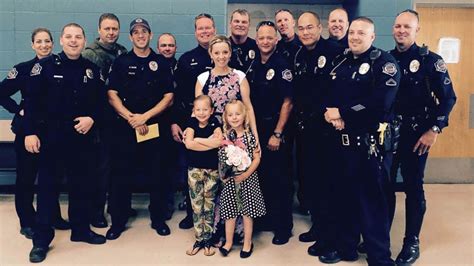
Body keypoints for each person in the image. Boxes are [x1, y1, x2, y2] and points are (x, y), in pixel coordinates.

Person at [24, 23, 107, 263]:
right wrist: (30, 132)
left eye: (78, 37)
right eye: (69, 37)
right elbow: (30, 101)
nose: (73, 41)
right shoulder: (45, 67)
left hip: (81, 140)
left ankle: (80, 231)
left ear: (84, 40)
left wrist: (92, 118)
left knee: (82, 187)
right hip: (51, 140)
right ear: (61, 40)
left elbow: (102, 103)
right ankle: (41, 240)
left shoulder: (91, 69)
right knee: (48, 190)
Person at [320, 17, 400, 265]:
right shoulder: (341, 60)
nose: (354, 37)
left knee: (372, 203)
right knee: (343, 197)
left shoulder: (384, 63)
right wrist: (332, 113)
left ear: (372, 36)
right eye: (352, 32)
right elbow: (326, 92)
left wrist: (343, 112)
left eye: (361, 33)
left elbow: (380, 103)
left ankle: (379, 256)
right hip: (340, 141)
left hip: (369, 145)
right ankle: (347, 247)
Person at [388, 9, 456, 265]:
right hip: (389, 135)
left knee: (413, 188)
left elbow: (449, 98)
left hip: (418, 135)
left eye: (407, 27)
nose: (401, 30)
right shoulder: (386, 59)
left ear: (417, 30)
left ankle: (411, 242)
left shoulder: (430, 60)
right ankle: (381, 234)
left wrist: (434, 129)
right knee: (384, 186)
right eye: (397, 26)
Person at [105, 18, 174, 240]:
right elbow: (111, 94)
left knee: (158, 174)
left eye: (144, 32)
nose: (141, 35)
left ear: (150, 35)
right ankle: (118, 220)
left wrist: (145, 117)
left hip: (154, 127)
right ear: (131, 36)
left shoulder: (160, 63)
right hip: (125, 128)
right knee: (121, 175)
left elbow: (169, 96)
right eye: (136, 32)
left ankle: (158, 218)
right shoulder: (122, 61)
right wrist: (131, 118)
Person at [0, 28, 70, 240]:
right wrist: (16, 109)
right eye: (39, 42)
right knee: (26, 178)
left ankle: (52, 216)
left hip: (52, 132)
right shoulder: (23, 69)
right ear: (32, 45)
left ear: (53, 43)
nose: (44, 45)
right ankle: (27, 221)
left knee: (52, 177)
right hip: (28, 131)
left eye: (47, 41)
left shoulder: (60, 67)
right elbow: (2, 93)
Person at [292, 11, 344, 256]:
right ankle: (319, 227)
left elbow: (340, 90)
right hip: (306, 131)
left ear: (320, 27)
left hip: (327, 133)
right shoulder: (300, 54)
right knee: (312, 183)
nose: (305, 32)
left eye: (309, 27)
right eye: (301, 29)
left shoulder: (334, 51)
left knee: (329, 187)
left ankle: (331, 241)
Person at [247, 21, 294, 245]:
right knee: (262, 176)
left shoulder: (282, 65)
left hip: (275, 129)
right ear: (257, 41)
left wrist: (277, 133)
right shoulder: (253, 64)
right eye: (261, 38)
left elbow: (288, 102)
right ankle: (266, 219)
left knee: (280, 179)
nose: (265, 41)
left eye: (269, 38)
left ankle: (283, 227)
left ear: (276, 40)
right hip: (257, 128)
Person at [82, 12, 130, 229]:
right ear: (99, 30)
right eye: (107, 29)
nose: (111, 32)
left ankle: (117, 206)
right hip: (100, 118)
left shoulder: (122, 52)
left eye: (114, 29)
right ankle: (96, 212)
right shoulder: (90, 54)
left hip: (119, 118)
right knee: (100, 168)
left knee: (119, 165)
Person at [172, 13, 216, 230]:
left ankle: (216, 216)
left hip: (219, 124)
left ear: (214, 29)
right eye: (200, 28)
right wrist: (175, 122)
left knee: (217, 171)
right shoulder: (187, 59)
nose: (205, 31)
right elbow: (178, 94)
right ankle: (192, 213)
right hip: (193, 123)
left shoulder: (224, 55)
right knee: (192, 170)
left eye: (208, 27)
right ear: (195, 31)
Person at [218, 100, 266, 258]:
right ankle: (228, 242)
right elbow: (221, 158)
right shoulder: (225, 137)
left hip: (248, 180)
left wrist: (246, 174)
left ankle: (247, 243)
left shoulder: (249, 137)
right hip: (231, 181)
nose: (234, 117)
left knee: (247, 213)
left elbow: (257, 158)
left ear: (244, 116)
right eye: (230, 114)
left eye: (237, 114)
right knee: (230, 213)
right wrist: (222, 174)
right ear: (225, 117)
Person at [183, 95, 222, 256]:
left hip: (212, 170)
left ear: (212, 110)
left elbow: (219, 142)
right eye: (198, 109)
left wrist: (198, 141)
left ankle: (208, 239)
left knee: (209, 204)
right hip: (194, 170)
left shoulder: (215, 122)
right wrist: (207, 142)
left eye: (205, 109)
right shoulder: (191, 123)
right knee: (197, 205)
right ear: (193, 111)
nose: (201, 112)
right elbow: (189, 144)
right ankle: (199, 238)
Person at [196, 35, 258, 135]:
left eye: (225, 52)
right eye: (216, 53)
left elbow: (248, 108)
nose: (221, 56)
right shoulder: (203, 78)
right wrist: (191, 130)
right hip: (211, 134)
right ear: (211, 54)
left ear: (230, 53)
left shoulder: (239, 76)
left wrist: (255, 136)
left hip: (235, 133)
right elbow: (198, 110)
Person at [157, 32, 179, 220]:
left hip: (176, 123)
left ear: (175, 48)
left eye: (170, 45)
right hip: (155, 123)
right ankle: (160, 207)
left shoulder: (181, 66)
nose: (167, 48)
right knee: (159, 167)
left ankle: (168, 204)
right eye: (163, 45)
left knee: (171, 167)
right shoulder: (153, 66)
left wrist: (175, 122)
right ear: (158, 48)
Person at [228, 9, 258, 74]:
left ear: (249, 25)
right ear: (230, 24)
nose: (240, 25)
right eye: (237, 21)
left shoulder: (257, 47)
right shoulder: (223, 46)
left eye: (244, 22)